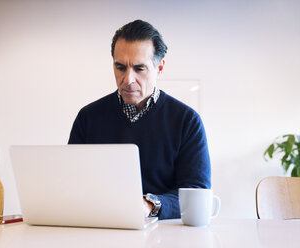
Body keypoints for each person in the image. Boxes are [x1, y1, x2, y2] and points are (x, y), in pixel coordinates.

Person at [68, 20, 211, 220]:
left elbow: (197, 192)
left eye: (139, 68)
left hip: (166, 233)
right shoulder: (88, 118)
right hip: (100, 226)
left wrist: (150, 204)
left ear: (159, 67)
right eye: (120, 67)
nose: (128, 79)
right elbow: (72, 183)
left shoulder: (186, 121)